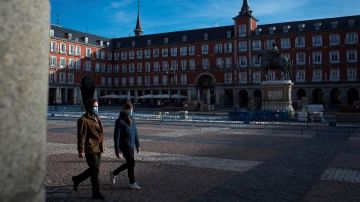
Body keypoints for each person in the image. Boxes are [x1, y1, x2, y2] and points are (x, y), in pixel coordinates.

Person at [72, 99, 105, 199]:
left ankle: (77, 179)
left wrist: (102, 145)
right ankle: (96, 193)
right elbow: (81, 136)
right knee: (95, 170)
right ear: (89, 107)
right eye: (95, 106)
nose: (97, 108)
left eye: (97, 106)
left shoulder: (97, 117)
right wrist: (80, 150)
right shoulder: (83, 120)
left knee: (95, 170)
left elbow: (100, 133)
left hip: (99, 148)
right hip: (90, 148)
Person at [110, 102, 141, 190]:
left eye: (132, 109)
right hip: (124, 146)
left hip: (131, 146)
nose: (131, 111)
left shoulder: (132, 119)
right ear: (125, 110)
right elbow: (116, 136)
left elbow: (135, 132)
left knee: (131, 164)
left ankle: (114, 173)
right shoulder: (119, 121)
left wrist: (137, 144)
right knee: (131, 163)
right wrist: (117, 150)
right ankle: (132, 182)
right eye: (129, 109)